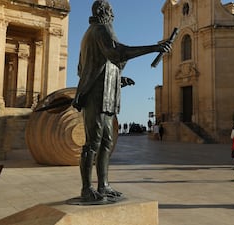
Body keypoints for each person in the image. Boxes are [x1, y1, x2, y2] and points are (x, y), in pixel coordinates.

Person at [72, 0, 172, 202]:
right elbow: (116, 52)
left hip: (107, 96)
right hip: (95, 96)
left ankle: (103, 185)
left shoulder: (101, 31)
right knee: (93, 143)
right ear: (103, 12)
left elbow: (108, 62)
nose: (113, 15)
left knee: (107, 141)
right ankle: (86, 188)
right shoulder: (100, 29)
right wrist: (154, 47)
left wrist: (118, 80)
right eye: (110, 11)